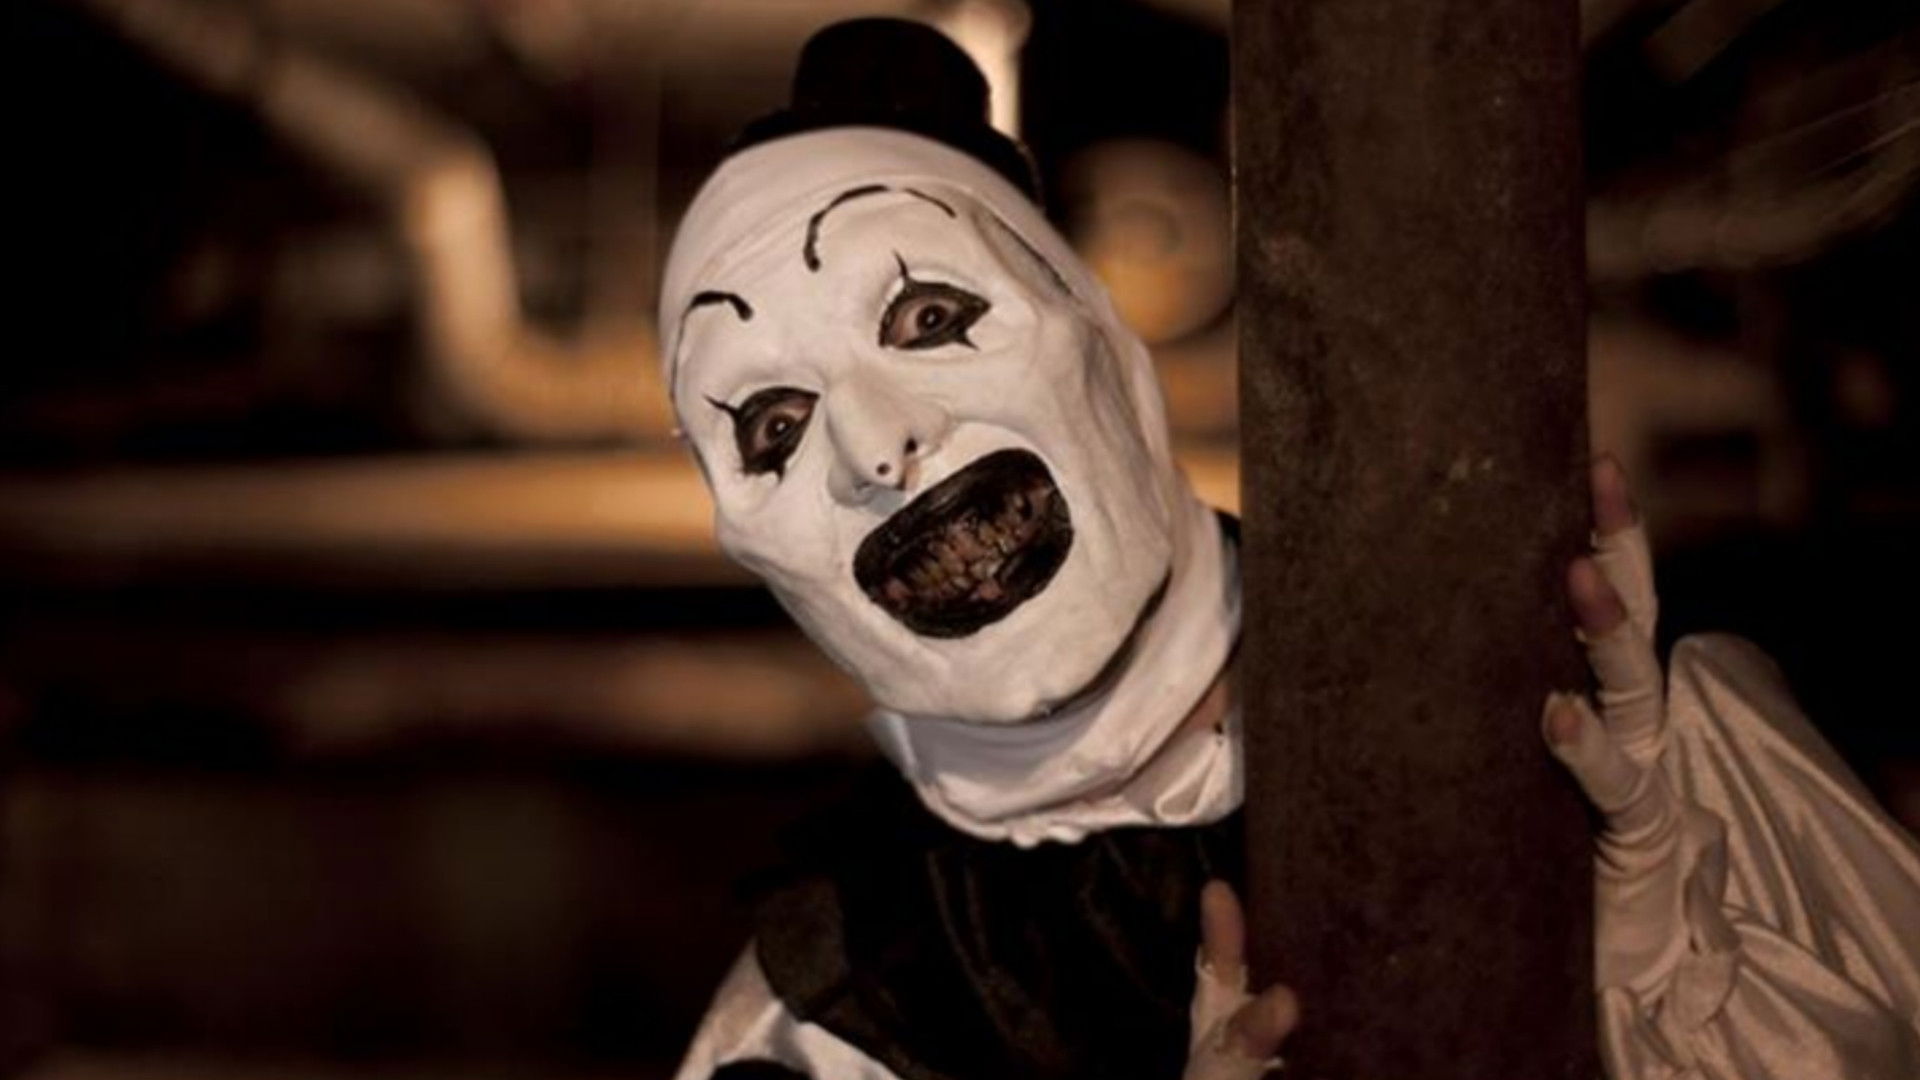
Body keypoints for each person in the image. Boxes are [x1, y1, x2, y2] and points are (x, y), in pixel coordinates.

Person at [660, 20, 1920, 1079]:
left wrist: (1661, 956)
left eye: (929, 314)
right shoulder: (825, 1022)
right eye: (774, 426)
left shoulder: (1596, 737)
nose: (875, 446)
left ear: (1093, 330)